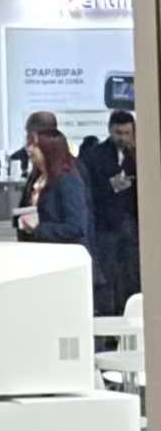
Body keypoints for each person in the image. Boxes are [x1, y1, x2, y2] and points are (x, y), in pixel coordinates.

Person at [85, 110, 139, 312]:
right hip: (105, 225)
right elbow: (91, 189)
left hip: (131, 223)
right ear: (109, 130)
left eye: (127, 133)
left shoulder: (138, 154)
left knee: (131, 273)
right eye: (118, 133)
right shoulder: (95, 155)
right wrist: (115, 185)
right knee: (108, 274)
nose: (122, 138)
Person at [19, 129, 93, 257]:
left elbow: (76, 227)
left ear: (49, 149)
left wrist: (39, 228)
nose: (29, 149)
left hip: (64, 255)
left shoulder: (68, 181)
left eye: (35, 145)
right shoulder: (36, 177)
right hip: (38, 250)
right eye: (28, 144)